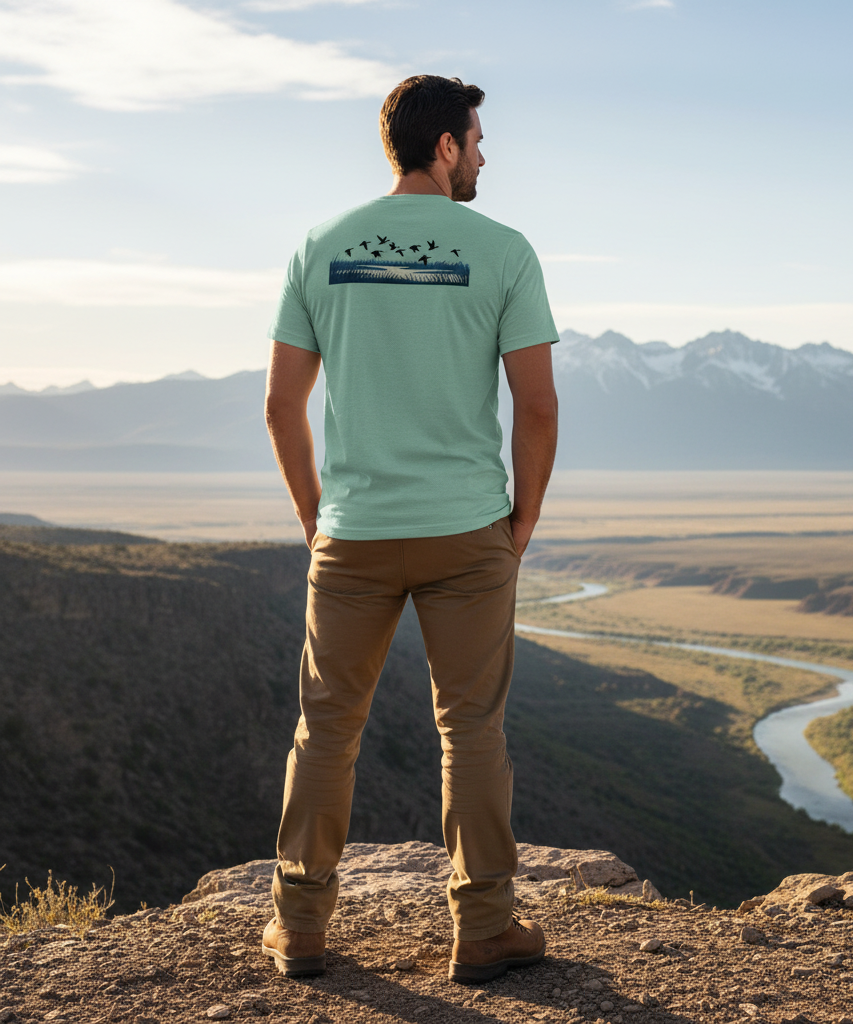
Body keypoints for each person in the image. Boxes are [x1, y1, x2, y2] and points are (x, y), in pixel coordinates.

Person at [260, 74, 559, 984]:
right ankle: (484, 929)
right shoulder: (503, 250)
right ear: (444, 147)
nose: (484, 155)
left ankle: (300, 927)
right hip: (468, 530)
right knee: (472, 731)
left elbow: (281, 405)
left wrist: (318, 515)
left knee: (325, 729)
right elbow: (537, 408)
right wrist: (522, 523)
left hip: (352, 531)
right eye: (476, 139)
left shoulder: (321, 245)